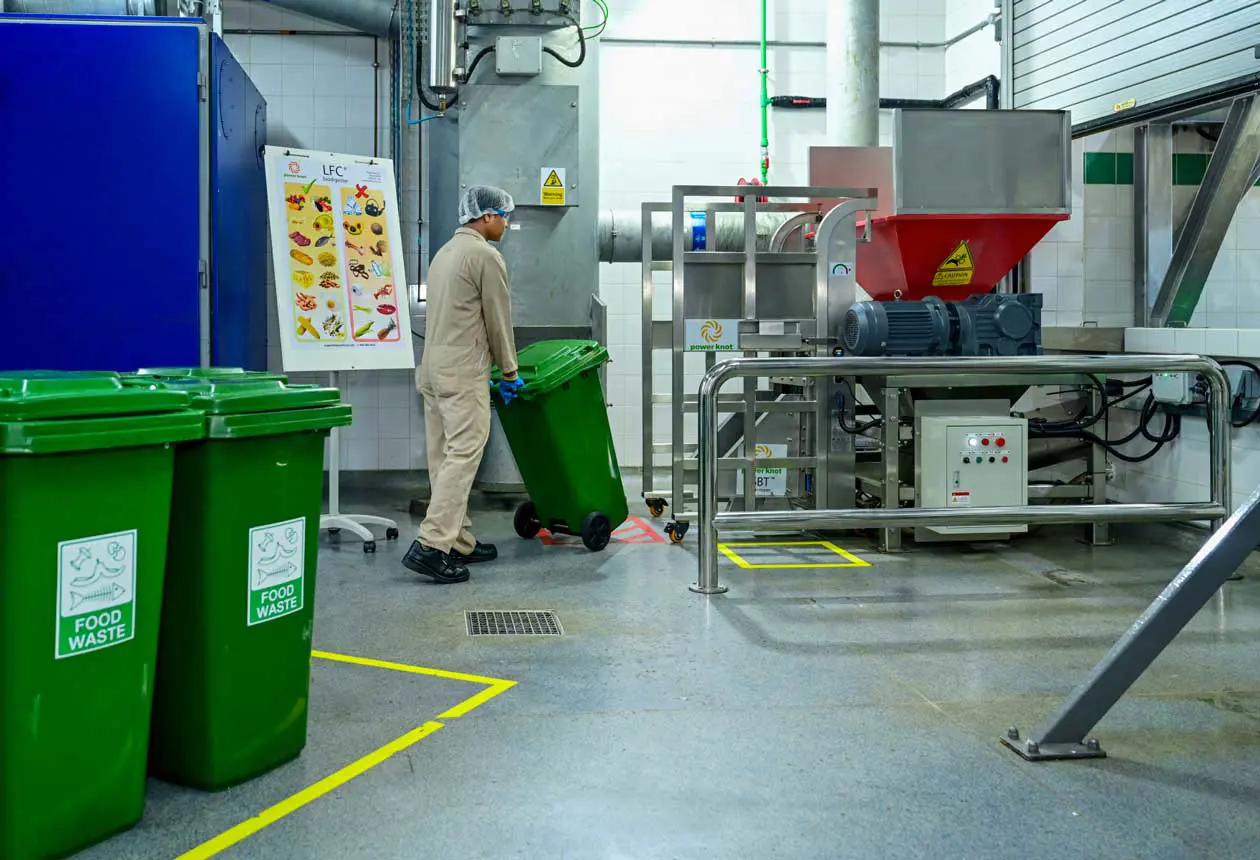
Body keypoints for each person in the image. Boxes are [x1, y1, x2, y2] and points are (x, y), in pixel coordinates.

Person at [403, 185, 525, 584]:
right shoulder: (484, 256)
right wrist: (509, 371)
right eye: (503, 216)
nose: (506, 224)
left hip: (432, 370)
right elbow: (497, 319)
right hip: (461, 372)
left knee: (443, 456)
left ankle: (459, 542)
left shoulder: (444, 253)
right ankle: (432, 544)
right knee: (464, 455)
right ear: (487, 216)